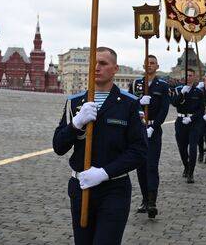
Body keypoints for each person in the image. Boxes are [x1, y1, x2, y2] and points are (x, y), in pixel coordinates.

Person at [53, 47, 147, 244]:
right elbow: (58, 146)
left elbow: (139, 151)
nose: (96, 68)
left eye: (103, 63)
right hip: (81, 187)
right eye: (93, 63)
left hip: (114, 188)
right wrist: (76, 124)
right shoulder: (75, 103)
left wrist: (105, 172)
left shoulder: (128, 104)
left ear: (115, 68)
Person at [129, 55, 170, 218]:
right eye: (147, 63)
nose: (150, 65)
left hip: (153, 129)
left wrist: (154, 126)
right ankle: (145, 199)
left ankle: (152, 202)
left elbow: (164, 109)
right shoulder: (136, 84)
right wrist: (139, 100)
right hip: (139, 129)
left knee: (151, 165)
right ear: (144, 65)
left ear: (157, 66)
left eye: (152, 63)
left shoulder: (163, 85)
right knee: (140, 166)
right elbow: (129, 105)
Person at [171, 68, 204, 183]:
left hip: (193, 122)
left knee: (193, 147)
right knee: (182, 147)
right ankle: (186, 165)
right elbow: (174, 103)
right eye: (186, 75)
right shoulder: (178, 89)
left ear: (194, 77)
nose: (188, 77)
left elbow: (201, 110)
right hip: (181, 121)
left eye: (190, 75)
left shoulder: (199, 92)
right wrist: (181, 93)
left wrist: (191, 118)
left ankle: (191, 172)